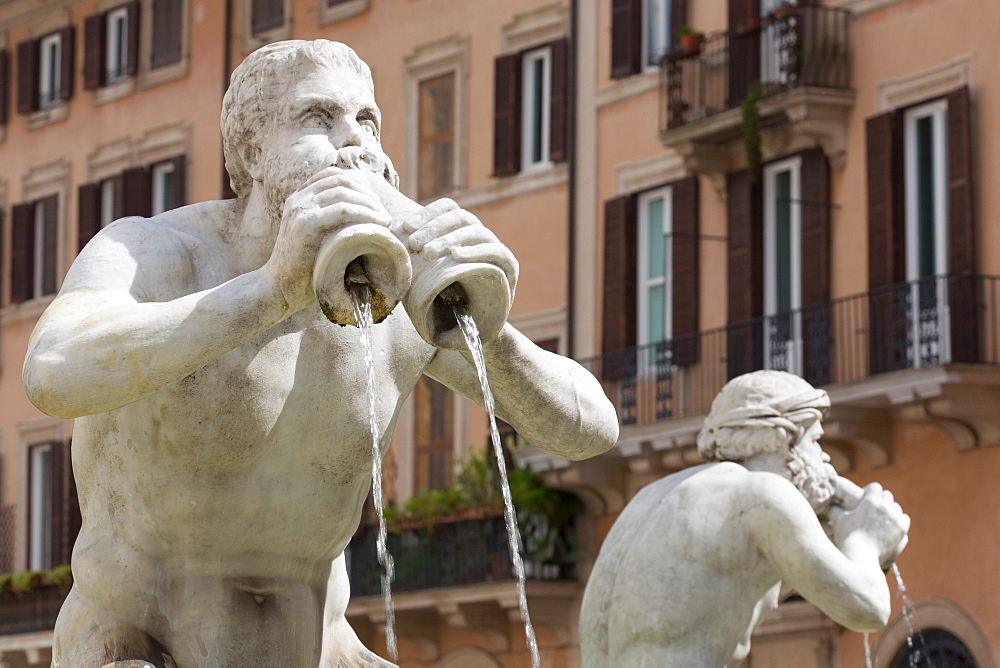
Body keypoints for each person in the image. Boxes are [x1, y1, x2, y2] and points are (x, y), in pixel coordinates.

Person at [23, 40, 618, 667]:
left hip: (318, 647)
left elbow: (592, 429)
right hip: (135, 639)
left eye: (367, 122)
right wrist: (272, 288)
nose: (355, 144)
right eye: (319, 119)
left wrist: (479, 323)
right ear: (251, 153)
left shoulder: (394, 290)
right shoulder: (158, 250)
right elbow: (54, 369)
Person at [579, 370, 909, 667]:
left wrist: (835, 508)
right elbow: (867, 608)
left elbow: (747, 590)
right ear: (784, 436)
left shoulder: (654, 495)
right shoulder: (761, 495)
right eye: (815, 440)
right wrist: (866, 539)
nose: (824, 457)